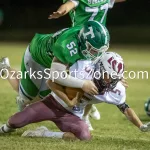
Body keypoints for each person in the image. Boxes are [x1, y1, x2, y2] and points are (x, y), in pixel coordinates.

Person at [0, 52, 149, 141]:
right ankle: (5, 68)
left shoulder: (114, 88)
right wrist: (69, 100)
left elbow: (124, 107)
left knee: (84, 136)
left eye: (115, 78)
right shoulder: (82, 68)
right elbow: (51, 81)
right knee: (15, 121)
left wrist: (141, 126)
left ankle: (43, 133)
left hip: (70, 114)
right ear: (99, 68)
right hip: (53, 101)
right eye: (109, 76)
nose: (111, 81)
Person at [0, 20, 109, 111]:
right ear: (82, 41)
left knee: (43, 98)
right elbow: (56, 75)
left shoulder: (83, 36)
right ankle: (5, 68)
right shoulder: (66, 46)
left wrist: (115, 76)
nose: (96, 54)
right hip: (37, 57)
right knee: (27, 97)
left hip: (54, 62)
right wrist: (83, 84)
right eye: (93, 50)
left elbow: (102, 61)